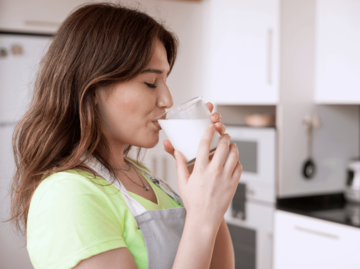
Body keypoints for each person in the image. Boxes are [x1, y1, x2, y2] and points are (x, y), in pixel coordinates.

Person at [10, 3, 242, 269]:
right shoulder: (66, 196)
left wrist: (206, 187)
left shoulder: (143, 177)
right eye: (151, 83)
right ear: (93, 90)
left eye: (166, 80)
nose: (167, 100)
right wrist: (201, 218)